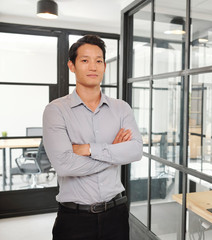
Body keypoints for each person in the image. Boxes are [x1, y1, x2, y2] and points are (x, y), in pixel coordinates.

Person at [43, 35, 143, 240]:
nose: (93, 66)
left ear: (105, 66)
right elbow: (64, 166)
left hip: (117, 214)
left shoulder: (121, 108)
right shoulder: (56, 110)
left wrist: (88, 148)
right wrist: (114, 151)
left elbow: (135, 150)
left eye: (98, 60)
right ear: (72, 65)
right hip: (74, 219)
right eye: (85, 60)